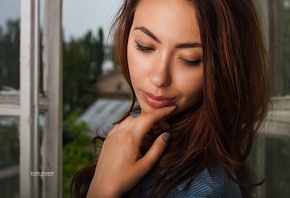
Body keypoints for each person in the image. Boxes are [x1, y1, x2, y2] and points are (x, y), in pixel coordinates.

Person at [71, 0, 270, 197]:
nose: (159, 78)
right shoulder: (147, 127)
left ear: (227, 67)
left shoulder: (200, 190)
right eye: (145, 46)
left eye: (189, 59)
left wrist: (102, 192)